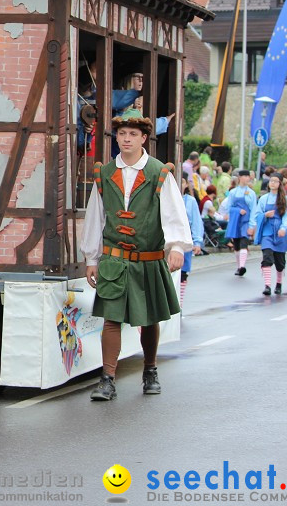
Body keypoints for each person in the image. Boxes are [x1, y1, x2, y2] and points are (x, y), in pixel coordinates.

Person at [81, 108, 190, 401]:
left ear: (144, 138)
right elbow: (96, 217)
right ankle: (107, 379)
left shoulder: (159, 172)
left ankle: (150, 369)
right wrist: (92, 259)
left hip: (149, 258)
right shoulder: (105, 173)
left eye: (132, 134)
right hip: (114, 260)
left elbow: (173, 214)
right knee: (111, 320)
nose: (126, 139)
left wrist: (177, 247)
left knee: (149, 318)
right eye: (121, 133)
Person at [250, 174, 287, 296]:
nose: (273, 183)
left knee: (280, 262)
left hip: (280, 232)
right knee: (267, 256)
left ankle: (279, 283)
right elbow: (257, 214)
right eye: (271, 181)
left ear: (280, 184)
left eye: (276, 181)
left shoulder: (284, 199)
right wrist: (264, 215)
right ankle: (267, 285)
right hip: (267, 232)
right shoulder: (263, 199)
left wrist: (284, 228)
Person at [226, 169, 258, 277]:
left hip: (246, 221)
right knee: (236, 244)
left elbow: (254, 209)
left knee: (244, 242)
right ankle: (239, 265)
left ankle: (242, 266)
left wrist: (252, 225)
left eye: (248, 177)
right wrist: (237, 211)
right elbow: (228, 207)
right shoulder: (233, 192)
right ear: (240, 177)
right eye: (244, 176)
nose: (246, 179)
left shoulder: (252, 194)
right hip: (235, 221)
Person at [180, 178, 204, 306]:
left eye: (183, 181)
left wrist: (197, 241)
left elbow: (196, 222)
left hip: (186, 238)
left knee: (183, 272)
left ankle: (180, 304)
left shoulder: (190, 201)